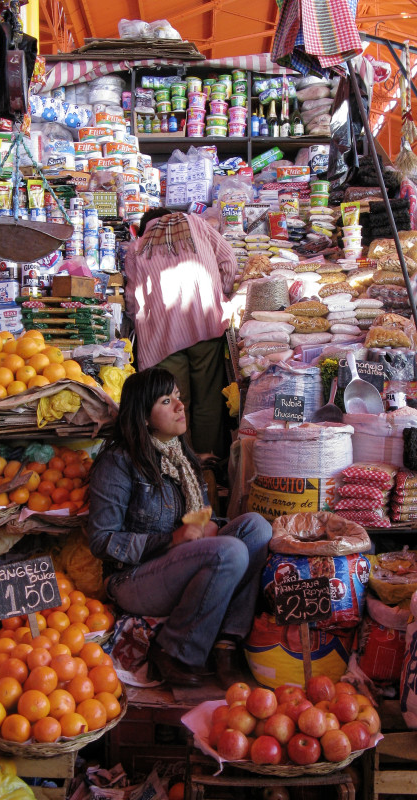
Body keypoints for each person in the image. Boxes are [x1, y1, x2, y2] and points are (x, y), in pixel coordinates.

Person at [87, 367, 271, 688]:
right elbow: (102, 540)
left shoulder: (182, 457)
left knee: (256, 528)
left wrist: (208, 528)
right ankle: (175, 650)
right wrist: (170, 540)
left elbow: (196, 521)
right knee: (229, 551)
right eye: (166, 400)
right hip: (133, 577)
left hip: (180, 564)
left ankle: (226, 644)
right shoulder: (118, 462)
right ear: (144, 417)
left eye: (178, 397)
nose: (179, 406)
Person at [124, 209, 236, 458]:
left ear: (145, 228)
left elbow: (132, 298)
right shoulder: (197, 225)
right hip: (206, 323)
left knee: (174, 403)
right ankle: (210, 467)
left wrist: (138, 322)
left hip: (161, 337)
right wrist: (221, 294)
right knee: (208, 400)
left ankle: (179, 465)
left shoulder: (137, 247)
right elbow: (229, 260)